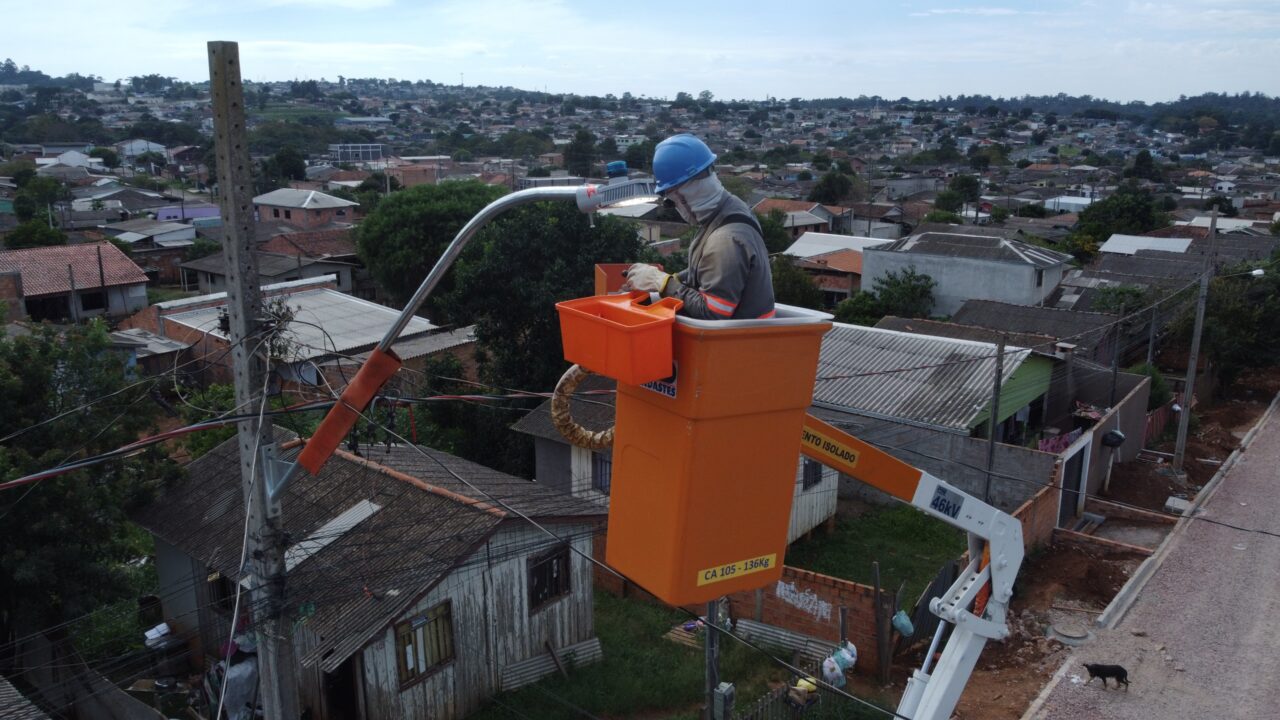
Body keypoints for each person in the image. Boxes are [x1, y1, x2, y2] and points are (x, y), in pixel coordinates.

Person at [623, 134, 775, 320]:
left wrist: (663, 283)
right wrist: (671, 279)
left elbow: (712, 313)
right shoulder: (731, 208)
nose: (677, 207)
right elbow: (709, 271)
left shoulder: (725, 239)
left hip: (742, 344)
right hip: (748, 337)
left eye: (673, 201)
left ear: (683, 195)